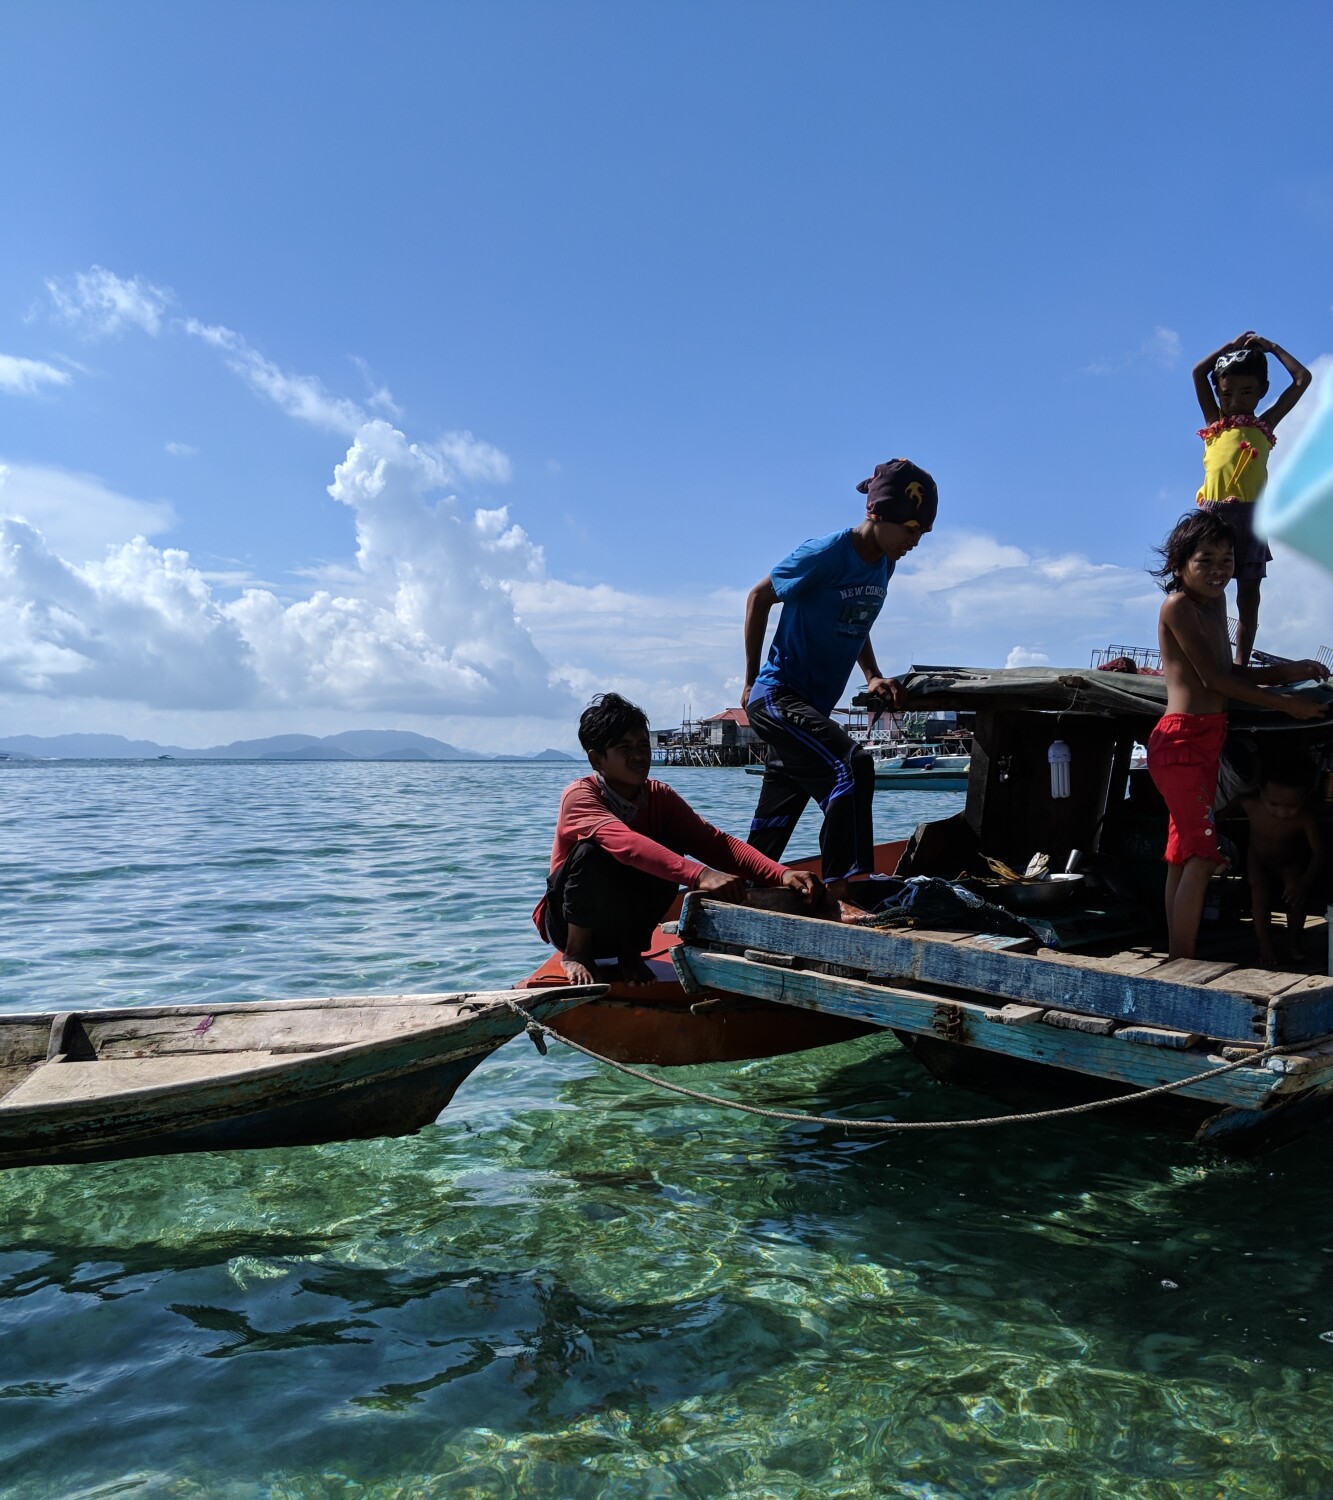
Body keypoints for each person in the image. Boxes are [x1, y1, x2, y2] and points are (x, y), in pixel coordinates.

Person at [741, 459, 936, 903]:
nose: (914, 541)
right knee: (852, 766)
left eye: (922, 533)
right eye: (910, 528)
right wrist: (750, 680)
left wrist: (872, 675)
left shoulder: (884, 563)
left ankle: (740, 895)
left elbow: (857, 615)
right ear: (876, 513)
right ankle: (842, 891)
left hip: (812, 707)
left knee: (774, 822)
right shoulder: (825, 553)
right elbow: (758, 597)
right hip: (778, 696)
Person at [534, 692, 823, 986]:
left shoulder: (659, 796)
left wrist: (782, 873)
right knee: (592, 853)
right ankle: (577, 953)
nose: (639, 756)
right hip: (568, 924)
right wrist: (701, 875)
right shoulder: (581, 796)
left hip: (619, 926)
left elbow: (716, 843)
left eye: (643, 746)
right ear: (597, 759)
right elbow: (628, 846)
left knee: (669, 849)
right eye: (624, 748)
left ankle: (630, 951)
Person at [1148, 511, 1328, 960]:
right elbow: (1212, 680)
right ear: (1179, 565)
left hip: (1207, 740)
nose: (1218, 570)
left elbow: (1230, 671)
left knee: (1182, 854)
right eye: (1205, 560)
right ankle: (1182, 964)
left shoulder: (1215, 604)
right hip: (1180, 742)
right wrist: (1287, 705)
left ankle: (1177, 956)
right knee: (1203, 856)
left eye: (1226, 560)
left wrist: (1289, 671)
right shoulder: (1177, 606)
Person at [1192, 331, 1312, 665]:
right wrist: (1229, 347)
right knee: (1207, 589)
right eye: (1227, 393)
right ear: (1219, 393)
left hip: (1252, 519)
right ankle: (1210, 657)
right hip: (1213, 517)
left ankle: (1240, 663)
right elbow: (1198, 373)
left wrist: (1272, 348)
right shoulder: (1215, 424)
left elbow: (1302, 379)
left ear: (1262, 391)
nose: (1236, 400)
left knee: (1249, 595)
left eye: (1247, 392)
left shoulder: (1264, 425)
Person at [1235, 755, 1327, 966]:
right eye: (1274, 803)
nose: (1282, 812)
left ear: (1306, 798)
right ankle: (1264, 943)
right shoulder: (1249, 804)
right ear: (1261, 792)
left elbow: (1319, 853)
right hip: (1257, 859)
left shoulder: (1304, 817)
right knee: (1259, 894)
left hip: (1289, 862)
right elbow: (1218, 813)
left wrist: (1303, 883)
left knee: (1296, 900)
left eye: (1291, 806)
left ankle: (1293, 941)